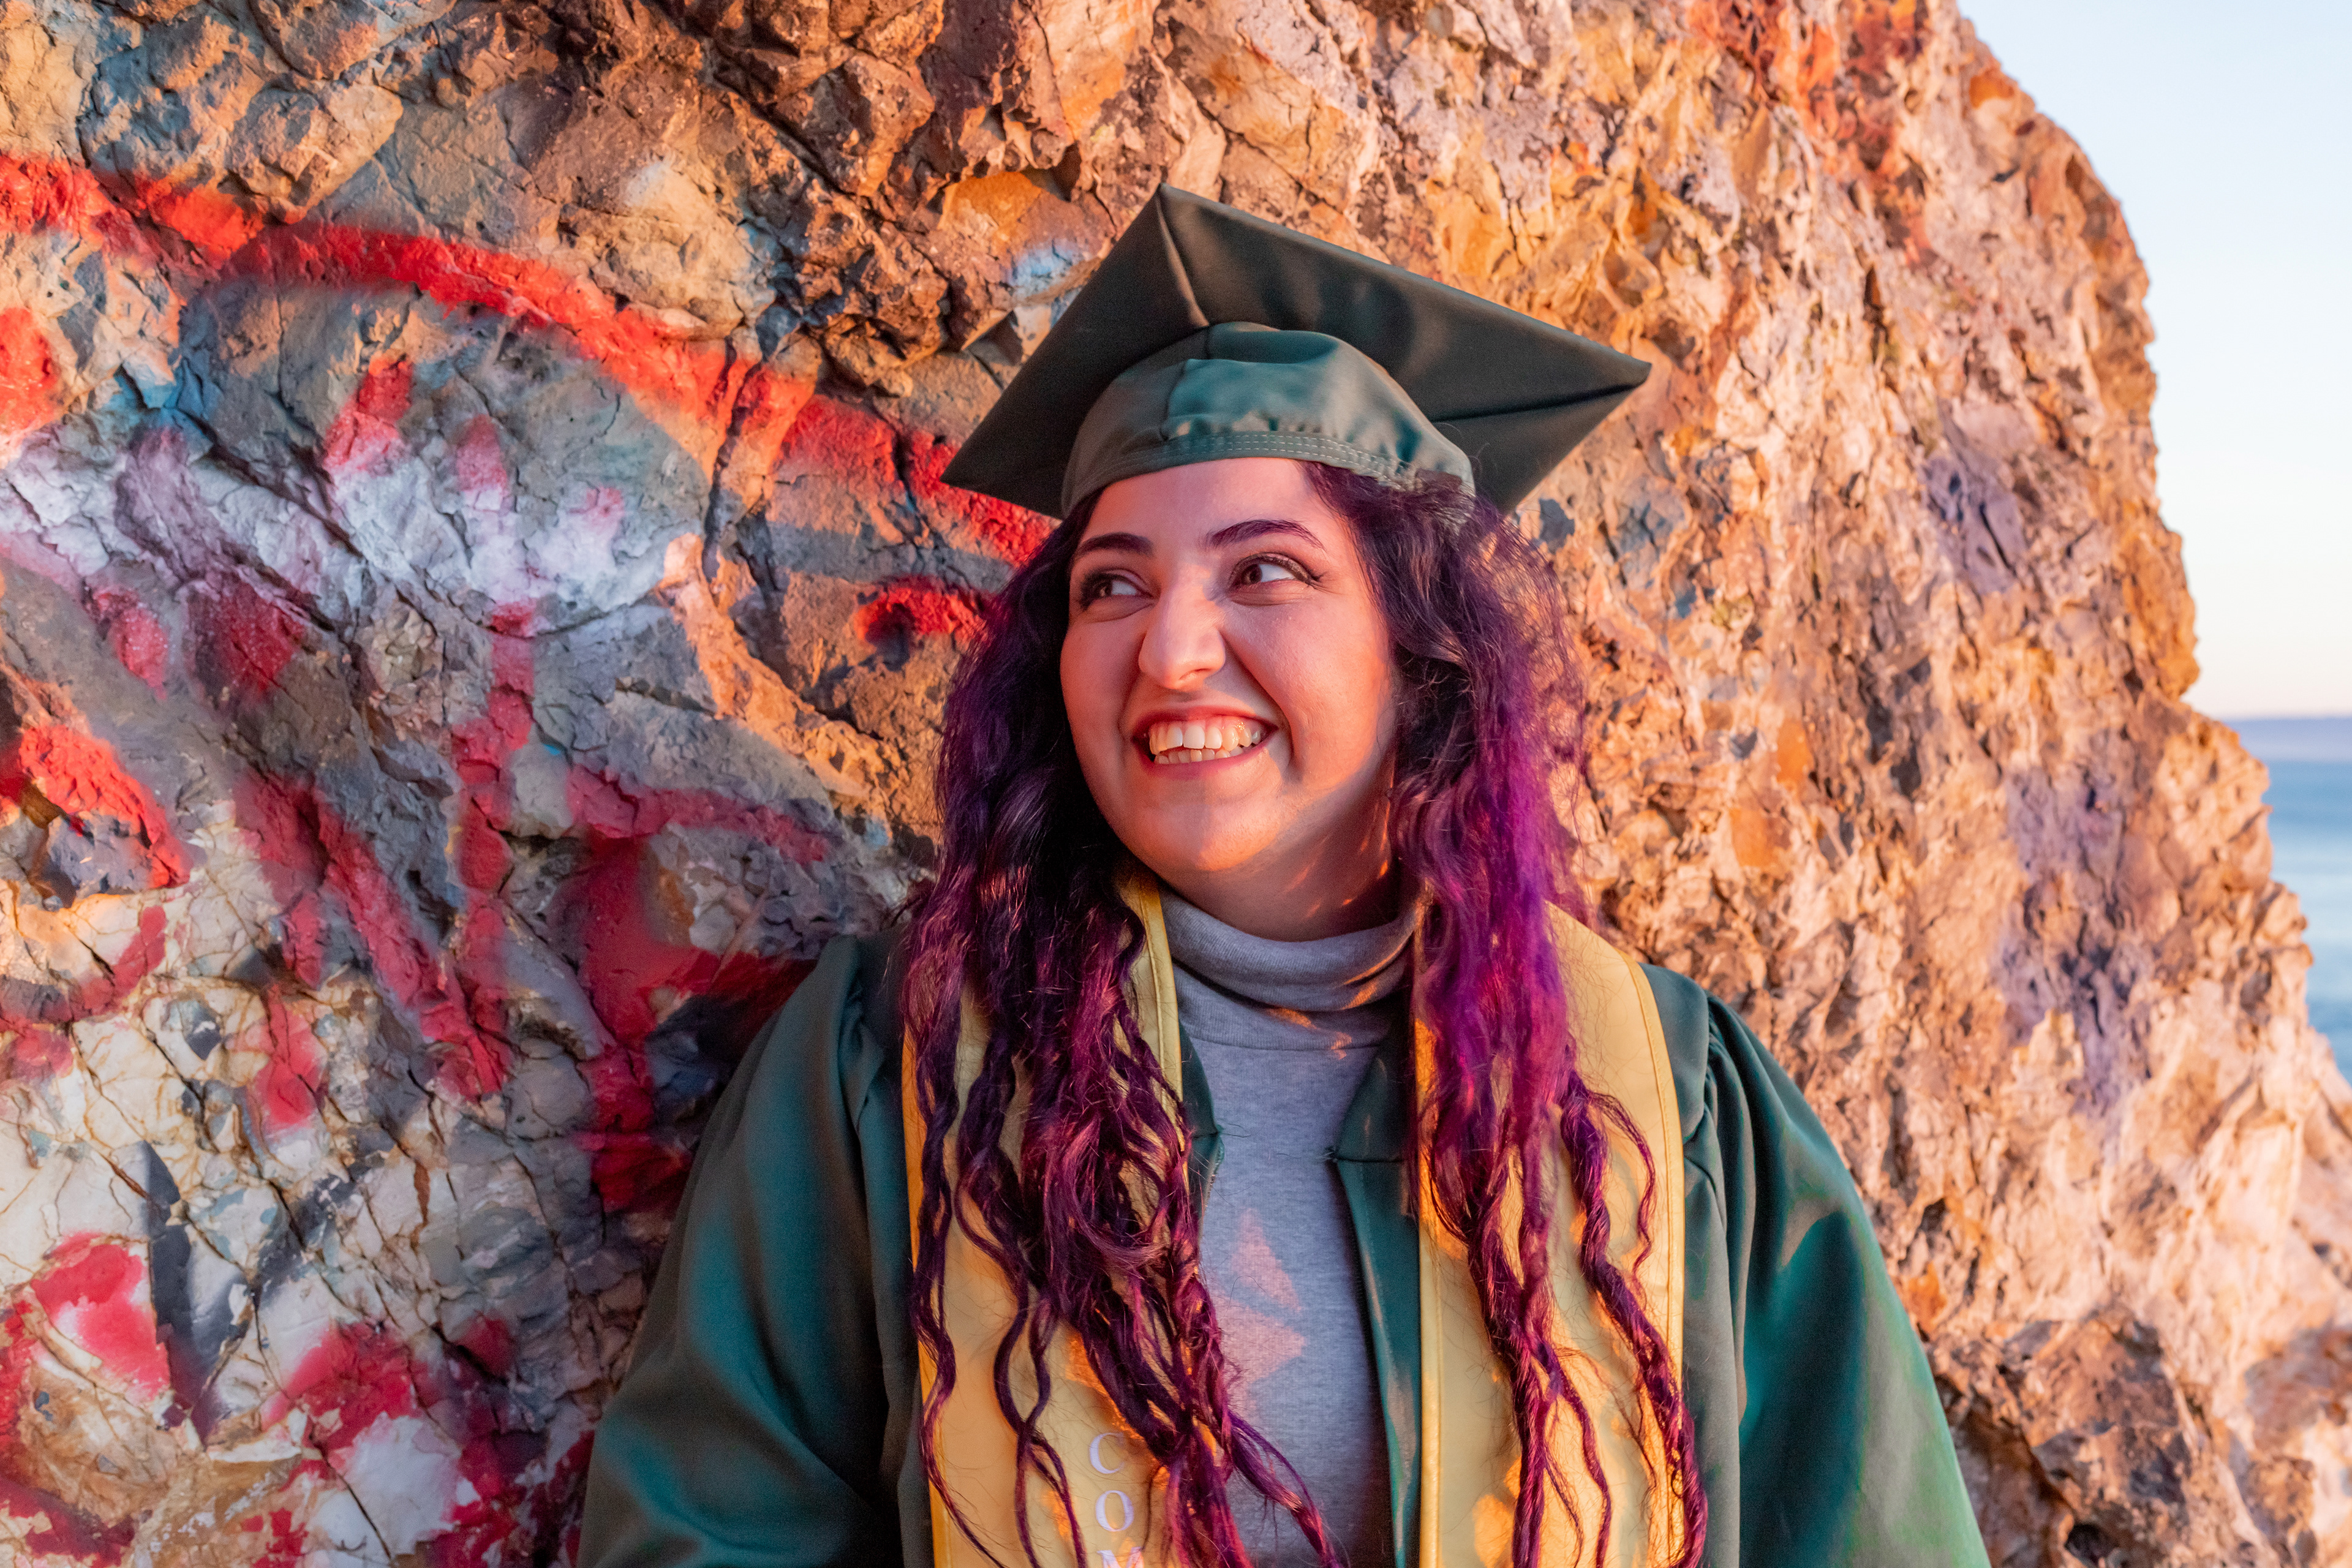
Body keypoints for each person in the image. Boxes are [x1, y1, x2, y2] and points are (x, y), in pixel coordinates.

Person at [578, 187, 1989, 1568]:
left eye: (1264, 572)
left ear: (1419, 648)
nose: (1172, 647)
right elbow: (710, 1530)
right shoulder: (892, 1060)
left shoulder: (1669, 1096)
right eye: (1113, 585)